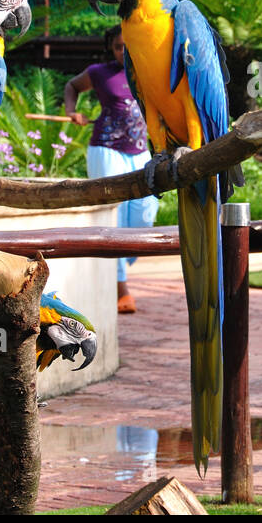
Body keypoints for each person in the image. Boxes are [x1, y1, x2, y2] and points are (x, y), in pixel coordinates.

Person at [65, 25, 158, 313]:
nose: (125, 51)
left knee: (145, 213)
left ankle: (118, 265)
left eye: (129, 45)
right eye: (119, 47)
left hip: (142, 152)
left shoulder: (151, 70)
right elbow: (72, 86)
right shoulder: (98, 73)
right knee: (113, 218)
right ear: (113, 49)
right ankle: (121, 288)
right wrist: (72, 112)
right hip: (106, 150)